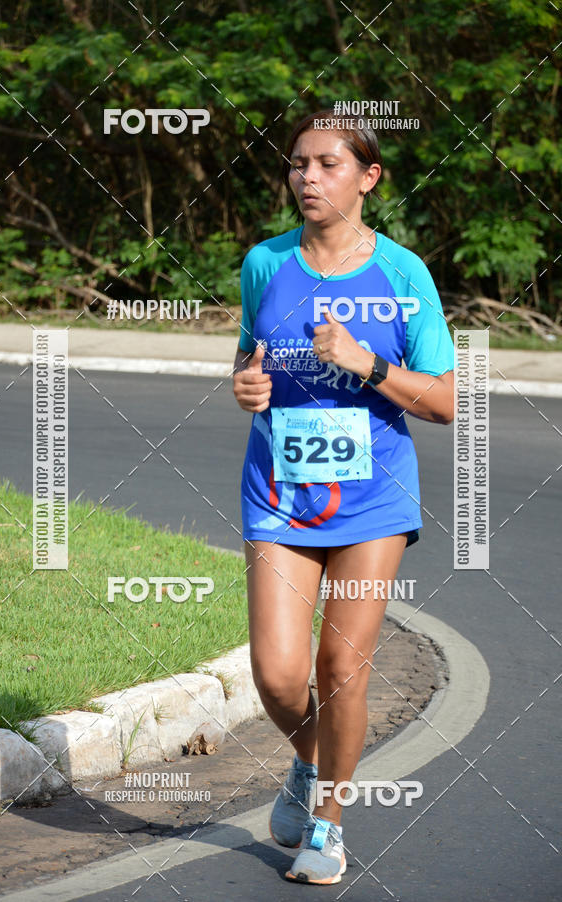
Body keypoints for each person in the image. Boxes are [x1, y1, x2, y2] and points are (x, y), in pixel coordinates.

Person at [232, 108, 455, 885]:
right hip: (280, 491)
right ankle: (311, 765)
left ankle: (327, 823)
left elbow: (447, 401)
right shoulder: (264, 263)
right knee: (278, 673)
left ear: (368, 178)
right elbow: (247, 359)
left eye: (328, 164)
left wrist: (365, 364)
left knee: (339, 667)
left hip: (372, 498)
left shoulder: (402, 274)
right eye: (298, 164)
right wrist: (245, 386)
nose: (308, 178)